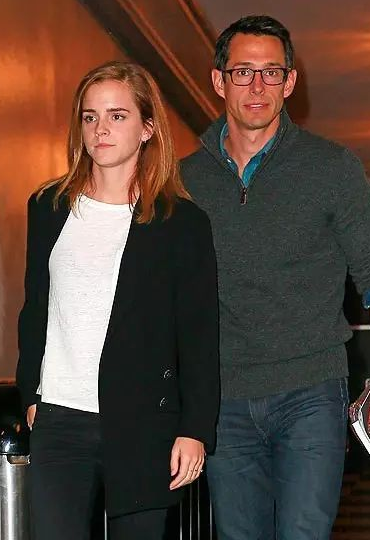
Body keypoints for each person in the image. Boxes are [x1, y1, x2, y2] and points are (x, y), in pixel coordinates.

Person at [181, 15, 370, 540]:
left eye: (271, 72)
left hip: (311, 392)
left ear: (290, 82)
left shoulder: (332, 168)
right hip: (222, 400)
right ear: (218, 81)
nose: (257, 86)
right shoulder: (184, 181)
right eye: (242, 72)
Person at [16, 60, 219, 540]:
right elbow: (35, 309)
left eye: (117, 115)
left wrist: (195, 430)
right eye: (90, 117)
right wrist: (30, 396)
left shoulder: (181, 224)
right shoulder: (48, 207)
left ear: (147, 128)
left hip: (143, 420)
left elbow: (198, 335)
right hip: (59, 419)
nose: (100, 129)